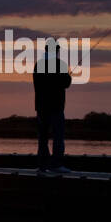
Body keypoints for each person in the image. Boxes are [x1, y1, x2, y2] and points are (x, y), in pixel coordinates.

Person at [33, 42, 72, 173]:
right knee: (58, 136)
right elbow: (66, 83)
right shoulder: (59, 64)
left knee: (43, 137)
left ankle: (42, 165)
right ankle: (56, 164)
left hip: (41, 107)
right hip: (56, 106)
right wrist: (68, 76)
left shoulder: (38, 65)